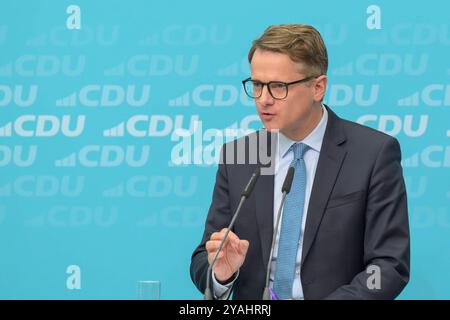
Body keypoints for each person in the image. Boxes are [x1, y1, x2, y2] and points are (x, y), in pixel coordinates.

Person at [190, 24, 410, 300]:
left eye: (278, 86)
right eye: (257, 85)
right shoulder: (242, 154)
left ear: (318, 87)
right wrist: (222, 274)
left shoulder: (371, 154)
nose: (263, 100)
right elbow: (202, 258)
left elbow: (388, 266)